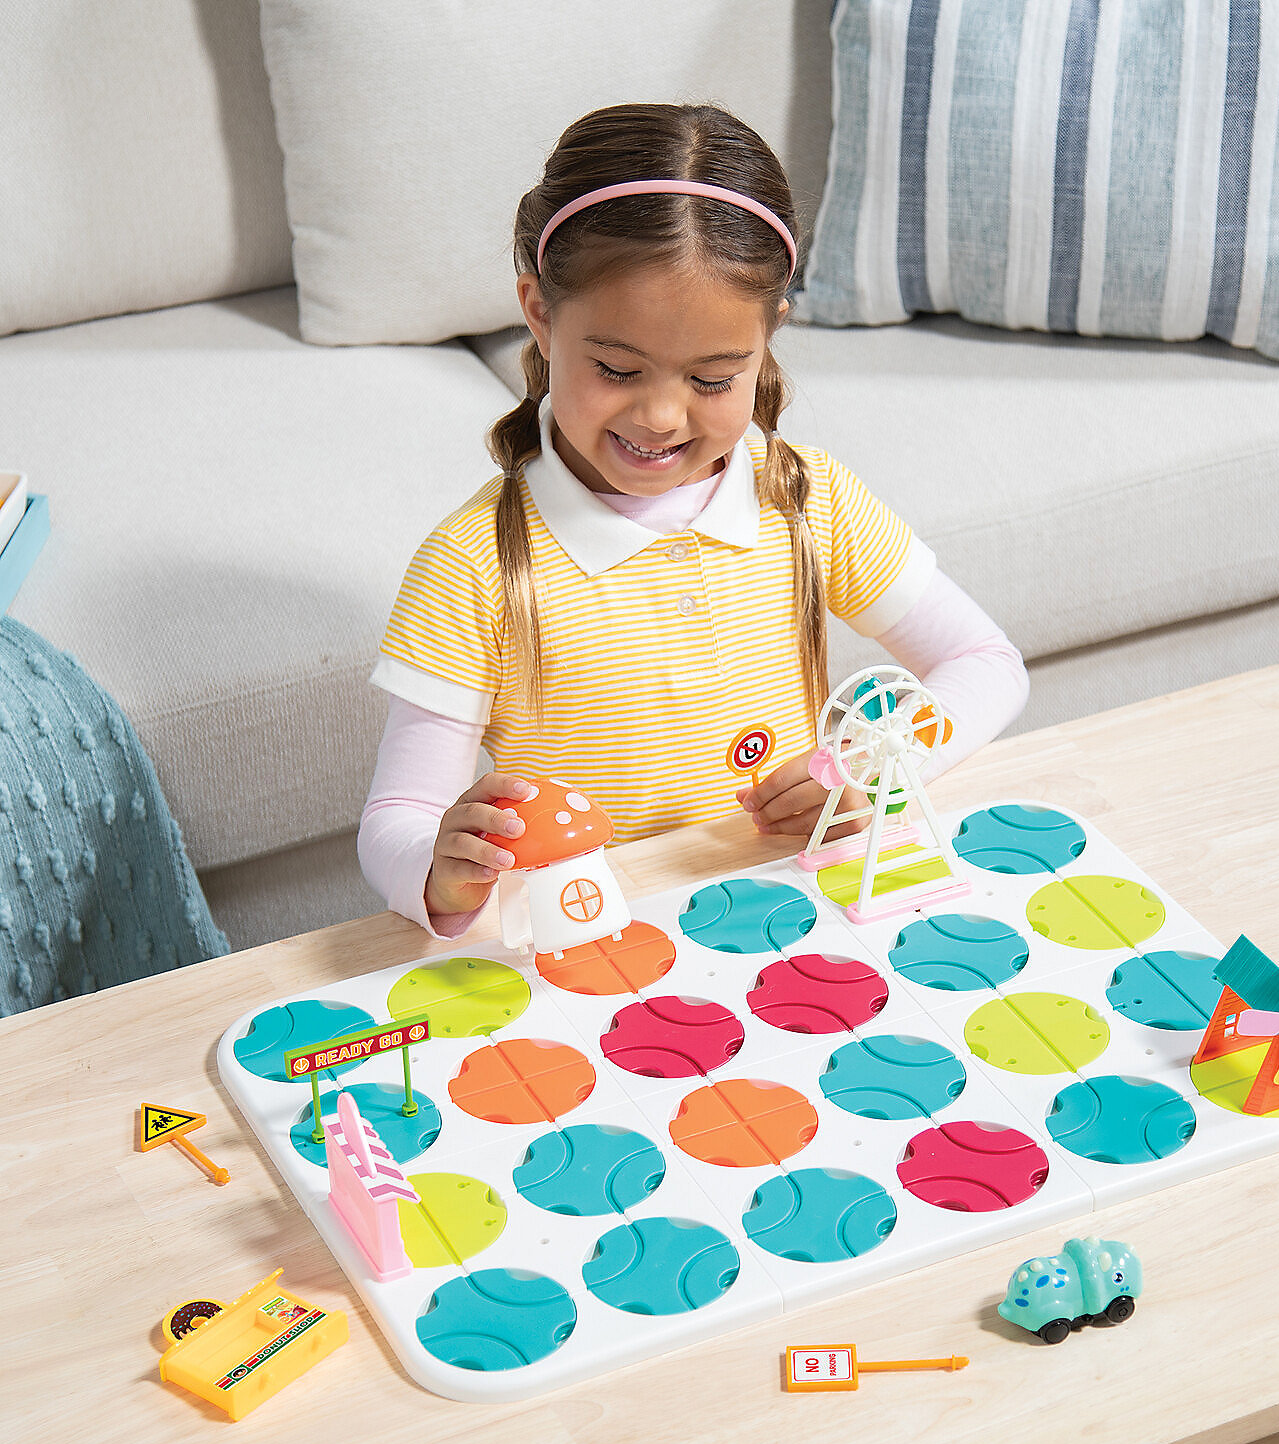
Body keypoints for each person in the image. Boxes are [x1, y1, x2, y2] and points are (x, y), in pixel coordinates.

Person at [359, 103, 1028, 939]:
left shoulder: (807, 498)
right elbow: (398, 818)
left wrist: (871, 770)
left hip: (798, 918)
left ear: (768, 337)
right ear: (539, 312)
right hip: (596, 944)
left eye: (712, 380)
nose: (662, 417)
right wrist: (442, 872)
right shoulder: (473, 566)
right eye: (616, 368)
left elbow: (984, 664)